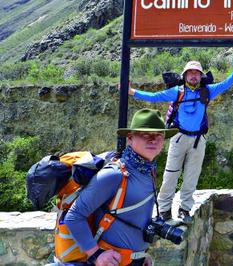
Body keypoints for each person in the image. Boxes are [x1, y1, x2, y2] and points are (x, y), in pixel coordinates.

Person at [127, 57, 233, 223]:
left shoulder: (207, 90)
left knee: (192, 176)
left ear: (201, 76)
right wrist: (132, 92)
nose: (194, 76)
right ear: (185, 75)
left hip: (198, 139)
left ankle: (185, 209)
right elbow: (154, 97)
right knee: (171, 174)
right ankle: (164, 210)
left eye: (197, 73)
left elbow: (225, 84)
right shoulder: (177, 91)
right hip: (179, 137)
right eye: (190, 73)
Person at [65, 108, 177, 266]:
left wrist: (140, 255)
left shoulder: (148, 171)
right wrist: (96, 255)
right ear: (130, 138)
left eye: (159, 135)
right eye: (146, 134)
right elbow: (74, 216)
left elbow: (135, 218)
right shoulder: (115, 174)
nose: (153, 140)